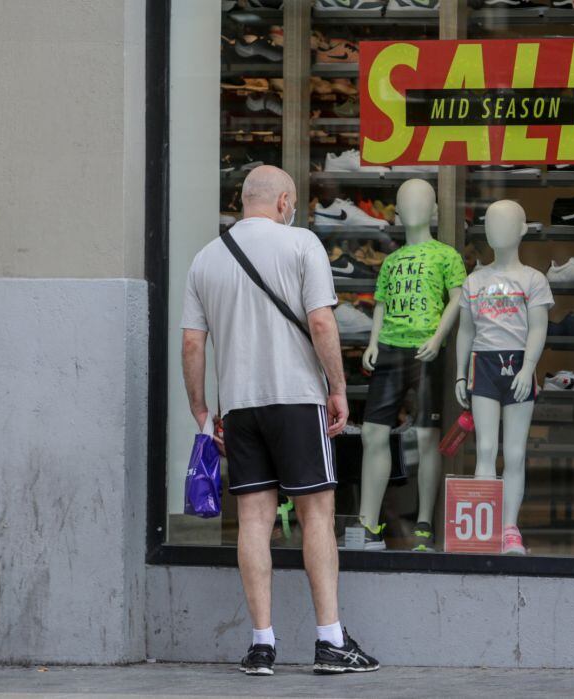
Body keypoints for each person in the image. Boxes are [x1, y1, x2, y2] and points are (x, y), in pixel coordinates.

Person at [180, 165, 380, 676]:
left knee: (253, 520)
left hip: (240, 406)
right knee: (316, 513)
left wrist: (202, 407)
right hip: (296, 398)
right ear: (285, 201)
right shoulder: (301, 244)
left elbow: (192, 342)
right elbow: (320, 320)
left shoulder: (206, 259)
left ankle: (262, 644)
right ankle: (330, 640)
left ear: (243, 200)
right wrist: (337, 387)